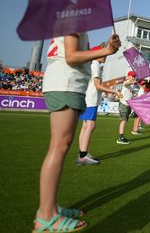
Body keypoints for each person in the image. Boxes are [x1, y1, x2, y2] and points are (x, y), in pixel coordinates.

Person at [35, 33, 120, 231]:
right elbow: (71, 56)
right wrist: (107, 50)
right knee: (59, 146)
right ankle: (46, 217)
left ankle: (51, 208)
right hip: (65, 83)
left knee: (61, 146)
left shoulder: (73, 14)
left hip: (69, 84)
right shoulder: (72, 12)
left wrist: (106, 48)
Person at [77, 44, 123, 165]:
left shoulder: (92, 64)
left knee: (86, 126)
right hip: (90, 99)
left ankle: (82, 153)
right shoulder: (95, 65)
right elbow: (97, 86)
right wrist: (114, 91)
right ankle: (83, 156)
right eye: (104, 54)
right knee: (90, 126)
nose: (106, 56)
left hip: (87, 99)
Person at [117, 71, 138, 144]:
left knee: (124, 120)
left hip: (127, 104)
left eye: (134, 76)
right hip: (124, 104)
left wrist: (133, 93)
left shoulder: (132, 84)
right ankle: (121, 137)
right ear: (128, 76)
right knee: (123, 120)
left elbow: (130, 92)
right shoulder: (127, 82)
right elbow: (126, 84)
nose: (133, 77)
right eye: (132, 76)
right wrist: (132, 82)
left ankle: (121, 136)